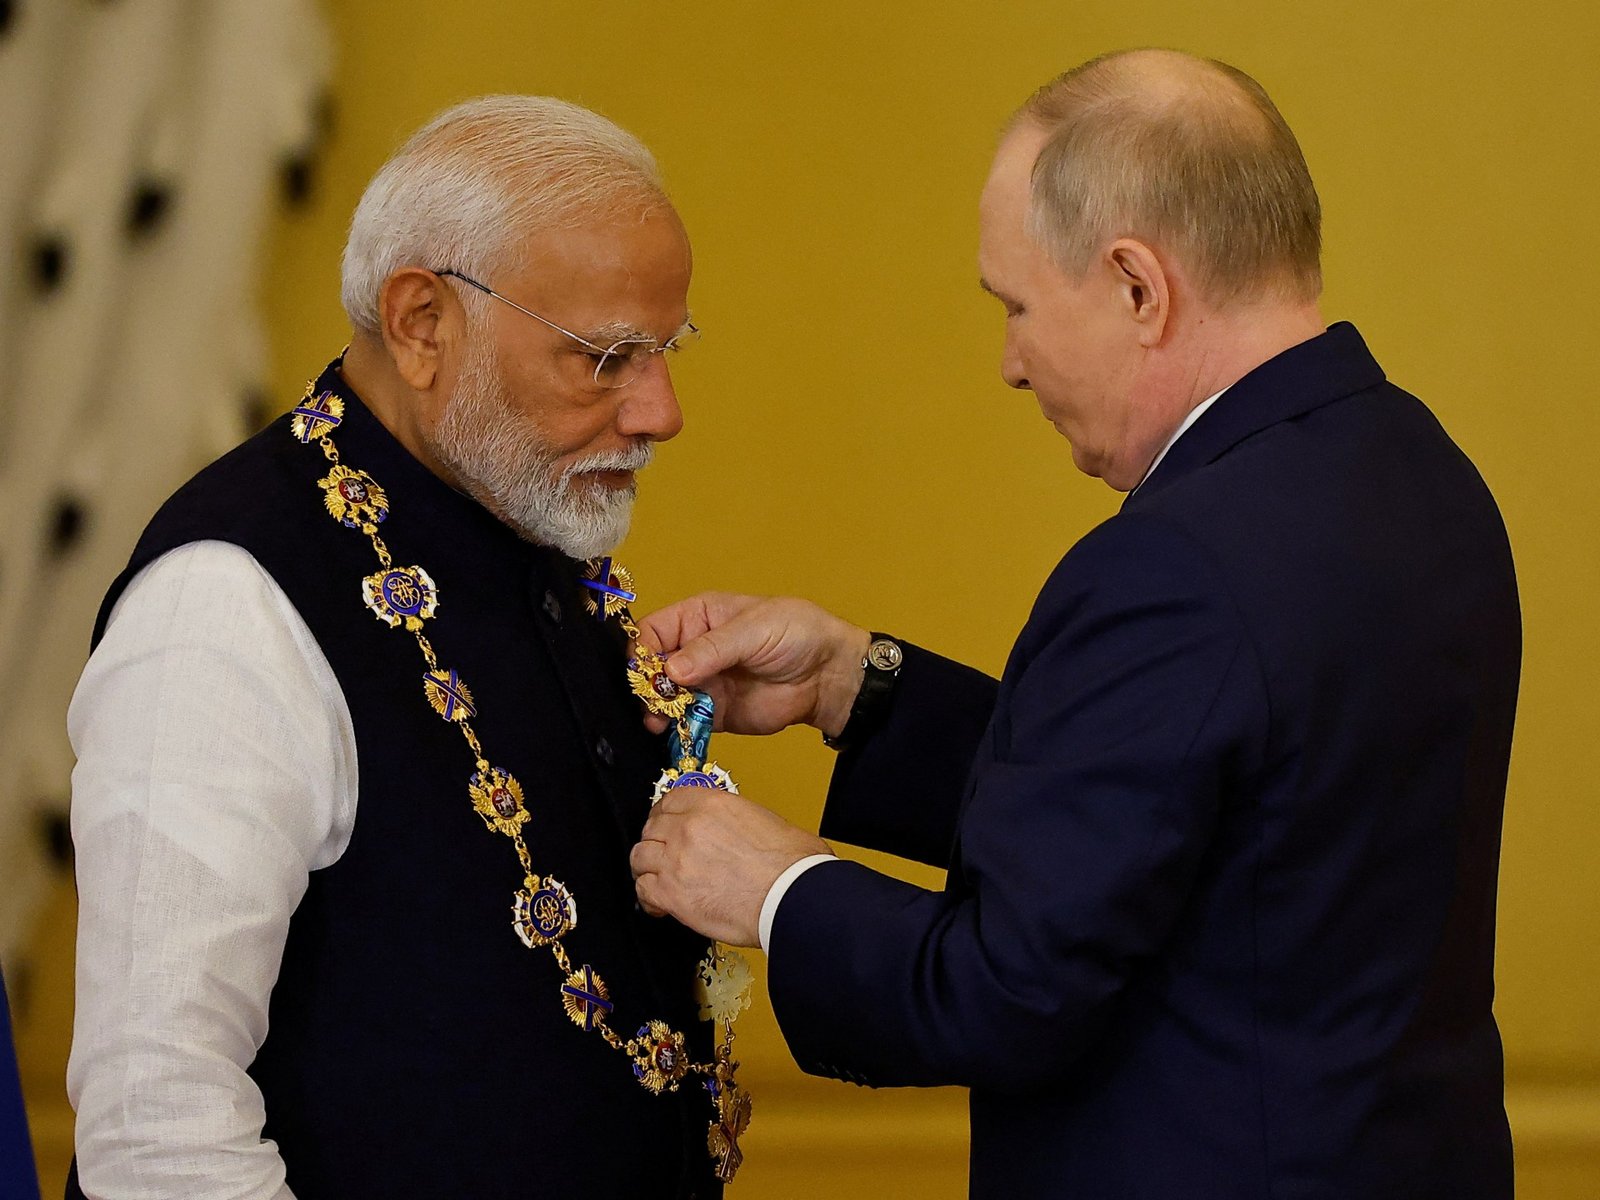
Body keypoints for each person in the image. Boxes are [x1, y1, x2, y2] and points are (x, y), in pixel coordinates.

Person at [630, 49, 1519, 1199]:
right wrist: (856, 685)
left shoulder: (1174, 562)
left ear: (1138, 287)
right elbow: (1196, 817)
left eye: (1015, 306)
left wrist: (777, 887)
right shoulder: (1420, 471)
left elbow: (1008, 996)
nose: (1010, 364)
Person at [66, 97, 729, 1199]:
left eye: (665, 351)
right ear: (422, 322)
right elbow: (158, 1120)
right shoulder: (221, 605)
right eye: (607, 358)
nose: (661, 411)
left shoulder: (522, 520)